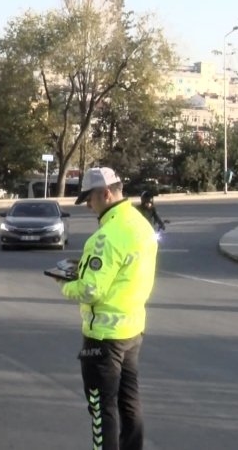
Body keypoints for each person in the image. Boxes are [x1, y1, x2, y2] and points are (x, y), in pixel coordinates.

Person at [54, 166, 158, 450]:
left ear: (107, 193)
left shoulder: (105, 237)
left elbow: (90, 290)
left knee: (102, 410)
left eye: (90, 198)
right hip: (132, 330)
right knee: (129, 403)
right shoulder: (140, 225)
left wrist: (66, 284)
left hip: (103, 337)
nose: (88, 205)